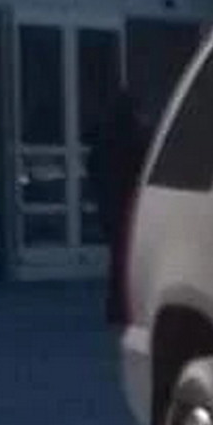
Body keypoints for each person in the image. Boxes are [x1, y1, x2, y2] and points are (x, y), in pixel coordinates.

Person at [87, 86, 148, 323]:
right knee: (126, 258)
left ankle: (116, 306)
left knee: (118, 257)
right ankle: (124, 306)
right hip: (128, 205)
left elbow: (93, 167)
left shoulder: (103, 140)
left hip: (110, 204)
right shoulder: (134, 140)